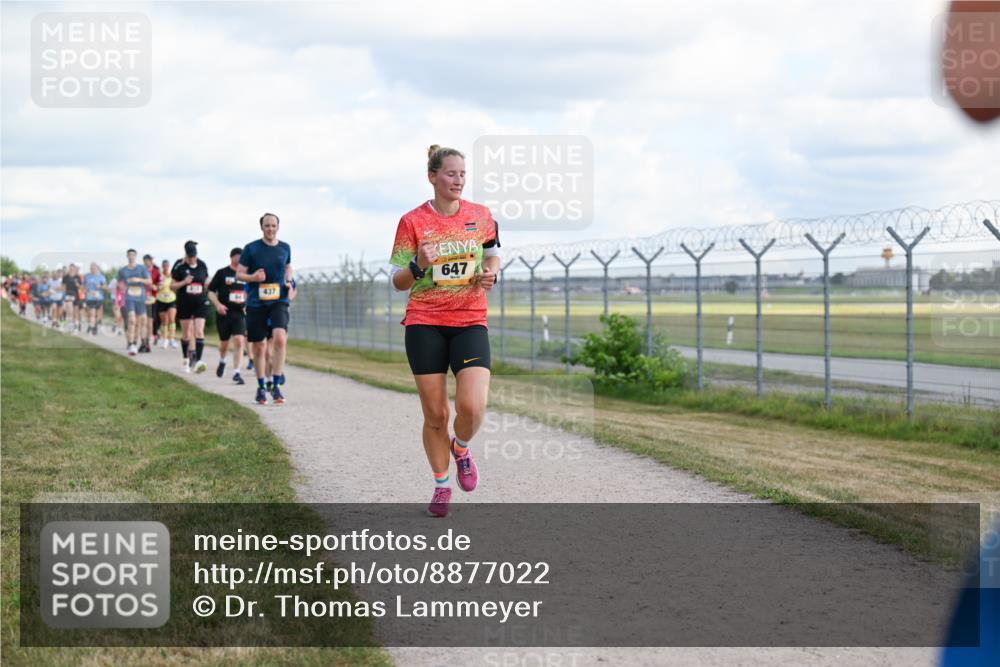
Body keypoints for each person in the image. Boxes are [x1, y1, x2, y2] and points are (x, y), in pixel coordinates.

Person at [389, 145, 500, 518]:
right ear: (433, 176)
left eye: (463, 174)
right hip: (425, 322)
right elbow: (398, 282)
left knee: (473, 405)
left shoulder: (480, 215)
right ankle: (440, 485)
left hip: (470, 318)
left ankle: (462, 448)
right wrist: (419, 264)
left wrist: (491, 272)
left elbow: (491, 253)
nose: (458, 180)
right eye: (450, 174)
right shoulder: (412, 222)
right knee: (436, 414)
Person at [236, 213, 293, 405]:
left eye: (273, 225)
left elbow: (288, 266)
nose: (270, 229)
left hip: (279, 300)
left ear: (278, 227)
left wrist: (288, 280)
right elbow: (239, 274)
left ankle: (275, 385)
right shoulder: (251, 249)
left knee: (279, 338)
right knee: (259, 347)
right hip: (256, 303)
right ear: (261, 227)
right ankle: (261, 387)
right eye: (267, 226)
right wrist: (253, 278)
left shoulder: (285, 247)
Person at [208, 247, 248, 385]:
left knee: (239, 340)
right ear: (232, 257)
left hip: (239, 313)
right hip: (224, 312)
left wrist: (247, 305)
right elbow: (211, 292)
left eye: (241, 256)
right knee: (224, 343)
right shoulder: (222, 273)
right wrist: (218, 305)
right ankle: (222, 360)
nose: (239, 259)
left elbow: (250, 292)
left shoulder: (246, 274)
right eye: (237, 256)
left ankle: (237, 373)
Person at [171, 240, 210, 373]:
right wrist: (184, 282)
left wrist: (208, 283)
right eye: (190, 256)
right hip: (184, 302)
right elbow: (172, 286)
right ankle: (185, 359)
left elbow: (206, 280)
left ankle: (198, 360)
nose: (192, 259)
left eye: (194, 256)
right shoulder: (179, 266)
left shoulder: (202, 265)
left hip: (200, 302)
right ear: (186, 255)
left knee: (199, 331)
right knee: (187, 333)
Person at [263, 277, 296, 391]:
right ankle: (269, 379)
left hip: (278, 317)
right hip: (263, 316)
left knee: (277, 346)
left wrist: (288, 295)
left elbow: (293, 290)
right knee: (266, 353)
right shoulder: (259, 270)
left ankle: (276, 373)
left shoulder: (284, 272)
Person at [116, 249, 151, 355]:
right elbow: (118, 283)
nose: (131, 256)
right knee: (132, 321)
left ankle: (138, 342)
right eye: (129, 255)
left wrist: (138, 280)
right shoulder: (122, 270)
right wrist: (120, 286)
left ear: (136, 256)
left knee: (141, 323)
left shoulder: (142, 268)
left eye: (133, 255)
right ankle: (131, 345)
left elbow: (149, 281)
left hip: (140, 298)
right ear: (127, 256)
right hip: (129, 298)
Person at [156, 259, 178, 348]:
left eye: (167, 265)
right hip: (161, 300)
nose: (165, 267)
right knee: (164, 321)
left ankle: (172, 339)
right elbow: (155, 287)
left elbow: (176, 287)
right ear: (162, 266)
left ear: (169, 266)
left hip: (171, 299)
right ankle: (165, 339)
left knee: (172, 319)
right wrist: (158, 286)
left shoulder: (172, 276)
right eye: (164, 265)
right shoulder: (159, 276)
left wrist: (174, 288)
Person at [141, 254, 160, 352]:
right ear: (144, 261)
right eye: (148, 260)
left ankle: (147, 343)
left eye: (151, 260)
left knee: (149, 322)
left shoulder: (156, 272)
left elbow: (160, 284)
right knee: (141, 322)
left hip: (151, 299)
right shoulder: (140, 271)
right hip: (141, 299)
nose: (149, 262)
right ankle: (142, 342)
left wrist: (155, 287)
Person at [83, 263, 107, 335]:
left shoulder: (101, 277)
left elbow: (105, 287)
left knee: (96, 314)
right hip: (90, 297)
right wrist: (85, 289)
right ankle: (92, 326)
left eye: (94, 268)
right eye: (91, 268)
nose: (92, 269)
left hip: (99, 297)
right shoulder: (87, 276)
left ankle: (94, 325)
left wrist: (100, 286)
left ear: (97, 268)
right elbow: (83, 286)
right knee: (92, 313)